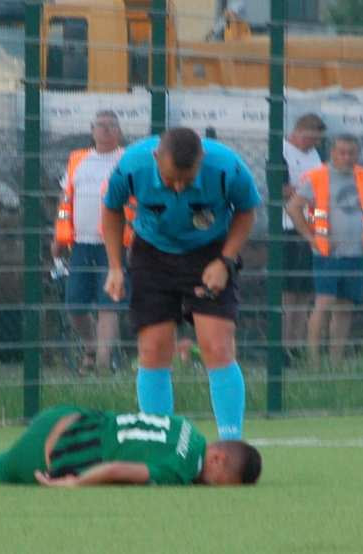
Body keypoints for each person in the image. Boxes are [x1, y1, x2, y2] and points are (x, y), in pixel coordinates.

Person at [101, 127, 261, 440]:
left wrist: (225, 261)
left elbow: (246, 211)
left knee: (217, 346)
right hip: (152, 254)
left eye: (186, 181)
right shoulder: (132, 166)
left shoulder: (228, 167)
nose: (177, 187)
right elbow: (111, 209)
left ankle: (230, 443)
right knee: (153, 349)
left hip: (210, 253)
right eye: (171, 178)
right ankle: (160, 439)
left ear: (201, 161)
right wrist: (115, 267)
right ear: (156, 158)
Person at [0, 405, 262, 487]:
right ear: (219, 458)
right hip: (58, 451)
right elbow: (122, 470)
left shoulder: (186, 425)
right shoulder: (181, 470)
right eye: (221, 479)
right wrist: (76, 483)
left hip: (70, 416)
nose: (213, 486)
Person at [285, 134, 363, 367]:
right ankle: (314, 360)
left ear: (357, 155)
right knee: (323, 302)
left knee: (345, 306)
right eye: (342, 152)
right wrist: (310, 236)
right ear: (333, 154)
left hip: (356, 252)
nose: (347, 157)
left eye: (351, 153)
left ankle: (336, 361)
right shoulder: (317, 177)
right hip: (327, 253)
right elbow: (294, 207)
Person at [52, 110, 126, 375]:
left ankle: (104, 363)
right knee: (75, 305)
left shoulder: (125, 161)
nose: (106, 130)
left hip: (114, 244)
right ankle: (91, 347)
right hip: (81, 243)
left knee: (109, 303)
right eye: (101, 125)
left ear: (118, 132)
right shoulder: (78, 160)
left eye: (111, 126)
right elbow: (65, 201)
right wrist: (58, 237)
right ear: (92, 130)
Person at [281, 114, 326, 362]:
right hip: (289, 226)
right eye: (312, 139)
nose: (315, 145)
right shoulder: (282, 151)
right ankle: (284, 343)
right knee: (289, 290)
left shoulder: (314, 156)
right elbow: (282, 188)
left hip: (313, 226)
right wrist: (307, 194)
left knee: (306, 290)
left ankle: (296, 343)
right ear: (300, 132)